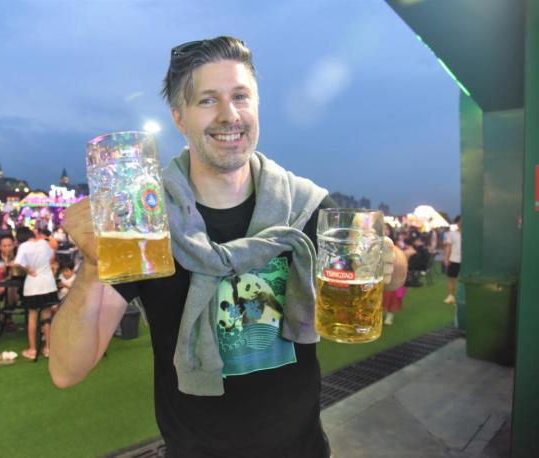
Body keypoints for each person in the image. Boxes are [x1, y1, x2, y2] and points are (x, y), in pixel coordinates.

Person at [49, 36, 407, 457]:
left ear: (257, 105)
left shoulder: (305, 206)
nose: (229, 114)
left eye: (241, 96)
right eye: (208, 100)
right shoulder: (148, 223)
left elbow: (392, 275)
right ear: (179, 117)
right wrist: (93, 266)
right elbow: (67, 370)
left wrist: (391, 261)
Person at [13, 226, 57, 360]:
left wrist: (28, 270)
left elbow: (17, 263)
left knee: (32, 317)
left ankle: (32, 350)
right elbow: (51, 257)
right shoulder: (43, 243)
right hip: (48, 284)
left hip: (32, 286)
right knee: (47, 317)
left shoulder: (23, 247)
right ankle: (48, 348)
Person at [443, 215, 462, 304]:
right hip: (454, 259)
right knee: (451, 279)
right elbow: (448, 247)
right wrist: (446, 258)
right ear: (457, 223)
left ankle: (462, 297)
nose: (461, 223)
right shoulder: (451, 234)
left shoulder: (469, 234)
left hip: (465, 261)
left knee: (463, 280)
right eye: (460, 221)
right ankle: (451, 296)